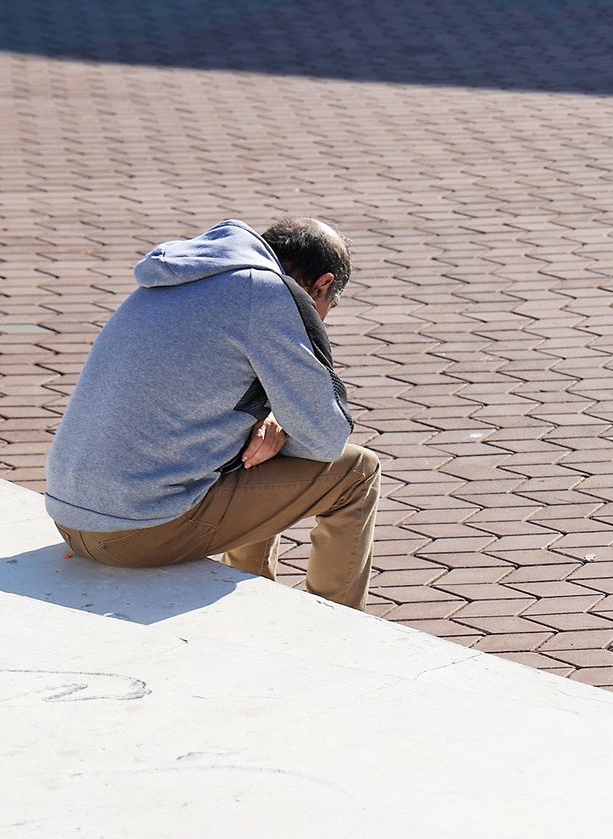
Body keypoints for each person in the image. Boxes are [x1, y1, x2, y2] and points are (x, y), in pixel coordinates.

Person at [45, 218, 380, 609]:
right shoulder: (271, 295)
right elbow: (325, 439)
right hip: (137, 533)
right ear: (322, 284)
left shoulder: (179, 274)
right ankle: (340, 626)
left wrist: (271, 422)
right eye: (329, 306)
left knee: (256, 441)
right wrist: (284, 424)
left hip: (70, 513)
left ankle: (254, 592)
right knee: (356, 473)